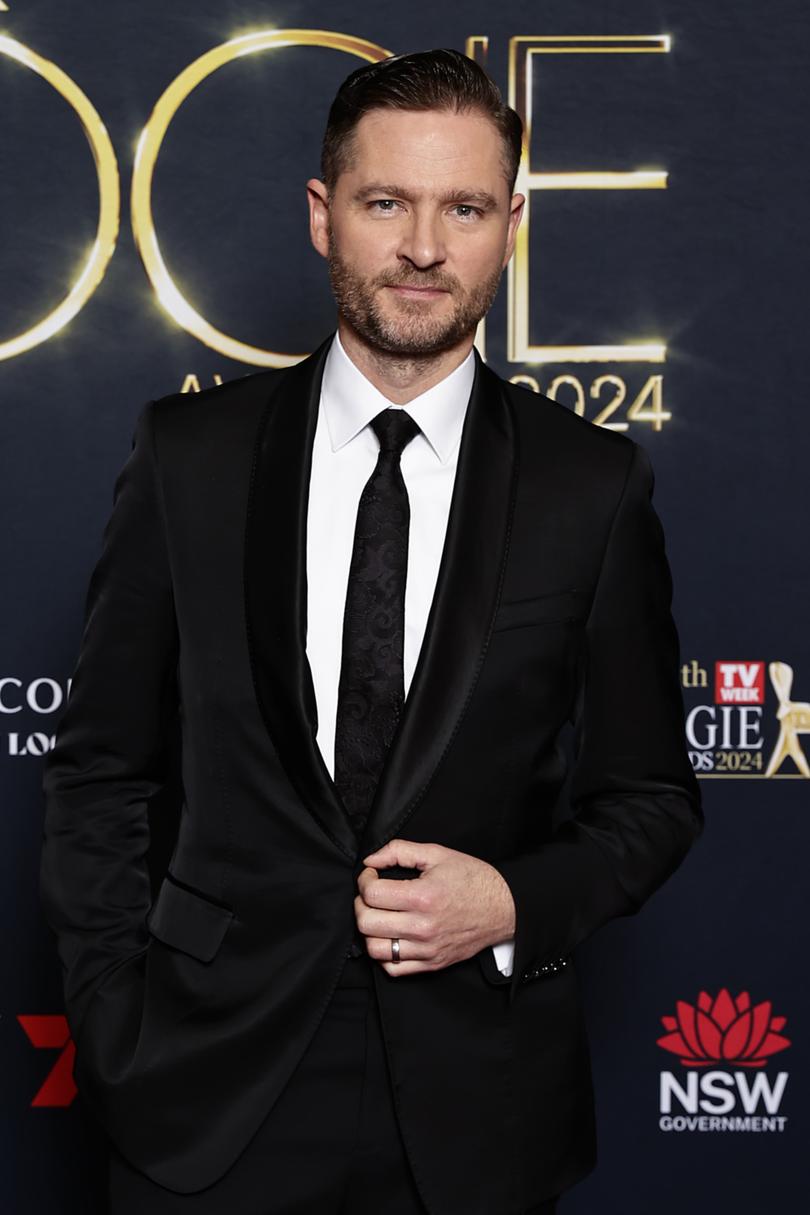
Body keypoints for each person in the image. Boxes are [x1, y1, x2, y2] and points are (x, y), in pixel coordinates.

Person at [40, 48, 703, 1215]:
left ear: (511, 224)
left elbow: (651, 797)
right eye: (386, 201)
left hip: (476, 1103)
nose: (424, 247)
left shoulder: (590, 487)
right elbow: (100, 772)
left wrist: (510, 903)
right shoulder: (186, 459)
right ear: (323, 215)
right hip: (204, 1086)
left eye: (465, 207)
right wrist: (114, 1021)